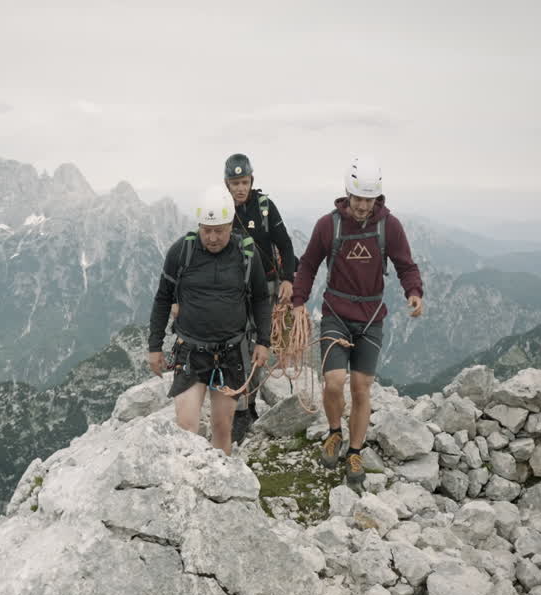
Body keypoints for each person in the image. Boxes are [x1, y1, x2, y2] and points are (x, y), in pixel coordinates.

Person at [290, 156, 424, 489]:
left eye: (370, 199)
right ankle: (335, 432)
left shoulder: (389, 226)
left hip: (371, 318)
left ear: (378, 197)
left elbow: (405, 265)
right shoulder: (328, 225)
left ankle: (354, 451)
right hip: (335, 313)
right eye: (358, 198)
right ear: (347, 194)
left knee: (361, 388)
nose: (364, 206)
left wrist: (414, 292)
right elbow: (308, 265)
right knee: (334, 381)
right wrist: (298, 302)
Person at [148, 186, 272, 455]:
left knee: (222, 427)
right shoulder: (182, 251)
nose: (213, 238)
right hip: (191, 352)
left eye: (219, 231)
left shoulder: (246, 254)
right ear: (199, 226)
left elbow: (262, 298)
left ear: (230, 226)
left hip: (231, 353)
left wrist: (264, 341)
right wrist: (154, 347)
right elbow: (163, 298)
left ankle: (220, 479)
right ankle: (187, 477)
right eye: (207, 230)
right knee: (186, 426)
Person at [223, 152, 298, 443]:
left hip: (264, 288)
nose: (240, 188)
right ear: (227, 184)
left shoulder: (265, 208)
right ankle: (242, 407)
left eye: (244, 182)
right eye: (235, 183)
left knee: (256, 343)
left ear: (251, 181)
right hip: (233, 289)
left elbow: (286, 245)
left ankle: (248, 405)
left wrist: (288, 279)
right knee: (238, 344)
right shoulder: (221, 208)